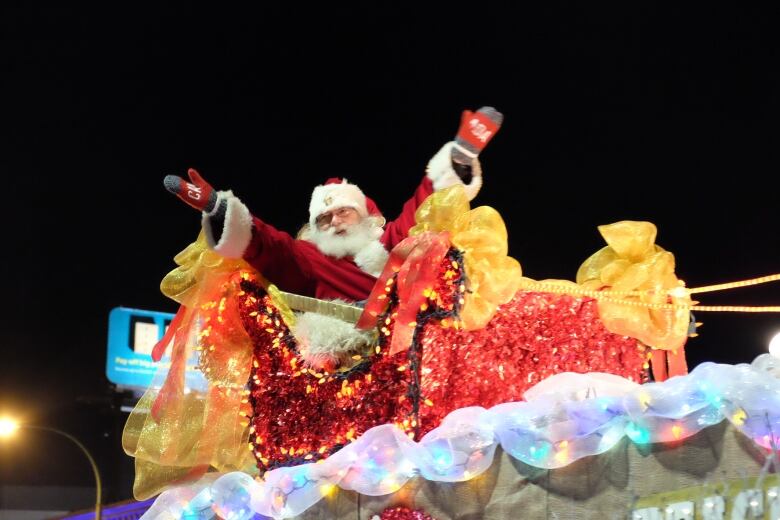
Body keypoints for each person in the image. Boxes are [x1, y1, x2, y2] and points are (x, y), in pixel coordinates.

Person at [163, 107, 503, 304]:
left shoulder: (388, 243)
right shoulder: (311, 261)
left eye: (344, 211)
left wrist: (457, 161)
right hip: (345, 363)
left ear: (366, 215)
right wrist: (219, 207)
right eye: (325, 218)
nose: (336, 221)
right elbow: (270, 245)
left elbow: (422, 210)